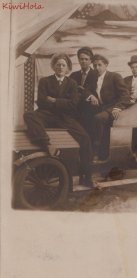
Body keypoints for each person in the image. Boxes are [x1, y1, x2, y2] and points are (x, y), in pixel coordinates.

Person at [24, 52, 95, 187]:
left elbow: (73, 104)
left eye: (63, 65)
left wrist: (54, 100)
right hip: (46, 114)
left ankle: (86, 176)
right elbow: (41, 102)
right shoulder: (45, 81)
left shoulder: (72, 83)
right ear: (53, 67)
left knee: (85, 139)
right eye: (58, 65)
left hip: (64, 118)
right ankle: (47, 144)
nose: (60, 67)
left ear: (67, 67)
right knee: (29, 115)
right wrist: (63, 102)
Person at [89, 54, 131, 161]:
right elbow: (87, 90)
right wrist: (91, 95)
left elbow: (125, 94)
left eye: (99, 65)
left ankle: (96, 152)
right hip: (101, 108)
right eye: (94, 66)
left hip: (113, 108)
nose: (97, 68)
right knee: (85, 116)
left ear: (106, 65)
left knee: (98, 119)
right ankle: (87, 151)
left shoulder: (114, 76)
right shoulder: (93, 78)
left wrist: (118, 107)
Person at [70, 47, 98, 138]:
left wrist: (80, 89)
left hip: (91, 107)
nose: (83, 61)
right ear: (78, 60)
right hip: (76, 106)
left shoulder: (96, 74)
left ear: (91, 61)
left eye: (86, 59)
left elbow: (92, 89)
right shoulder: (74, 75)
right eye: (81, 59)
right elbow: (71, 90)